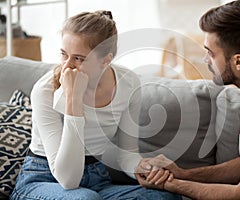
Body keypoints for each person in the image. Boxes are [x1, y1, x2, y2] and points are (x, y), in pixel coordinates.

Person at [135, 0, 240, 199]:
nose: (205, 60)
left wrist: (170, 183)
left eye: (210, 53)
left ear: (238, 61)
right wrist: (183, 174)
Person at [10, 10, 181, 200]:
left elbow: (127, 154)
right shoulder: (45, 91)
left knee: (165, 196)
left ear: (106, 60)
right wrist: (73, 100)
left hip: (96, 180)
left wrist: (144, 168)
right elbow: (68, 180)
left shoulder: (128, 83)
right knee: (85, 198)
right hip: (43, 181)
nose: (67, 66)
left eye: (79, 58)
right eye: (63, 54)